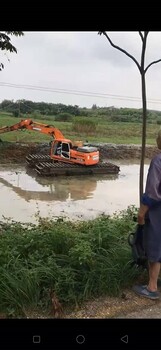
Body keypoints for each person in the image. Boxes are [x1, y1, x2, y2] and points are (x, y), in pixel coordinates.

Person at [133, 130, 161, 300]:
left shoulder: (158, 161)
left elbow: (152, 193)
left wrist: (142, 213)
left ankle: (151, 287)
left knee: (154, 246)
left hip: (158, 213)